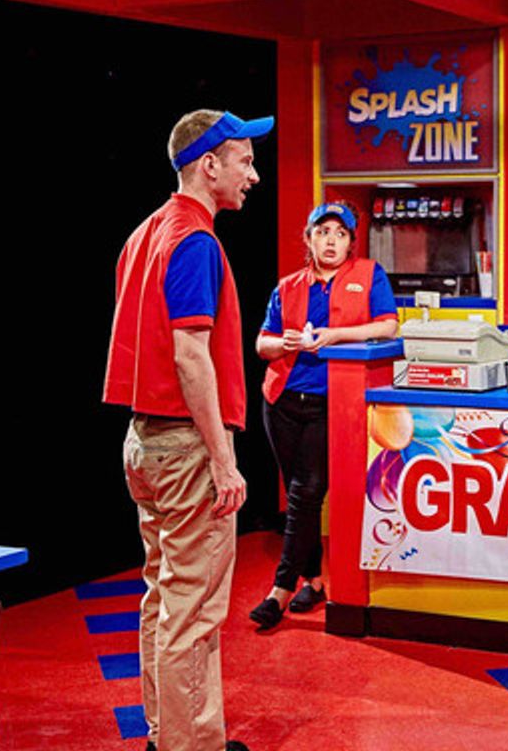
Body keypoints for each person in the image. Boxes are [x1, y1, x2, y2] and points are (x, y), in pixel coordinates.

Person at [104, 109, 272, 751]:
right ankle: (188, 746)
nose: (252, 174)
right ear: (210, 165)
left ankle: (170, 733)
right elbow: (189, 354)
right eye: (244, 160)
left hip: (143, 444)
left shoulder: (146, 233)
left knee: (163, 598)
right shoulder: (195, 241)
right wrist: (224, 460)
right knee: (195, 612)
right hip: (184, 446)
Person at [248, 202, 398, 630]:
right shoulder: (288, 286)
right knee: (303, 496)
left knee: (306, 492)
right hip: (280, 401)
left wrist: (335, 336)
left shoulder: (370, 276)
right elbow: (262, 343)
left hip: (331, 404)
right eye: (322, 232)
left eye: (340, 233)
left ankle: (280, 590)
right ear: (308, 239)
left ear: (351, 242)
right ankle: (314, 580)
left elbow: (388, 326)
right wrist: (287, 344)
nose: (330, 240)